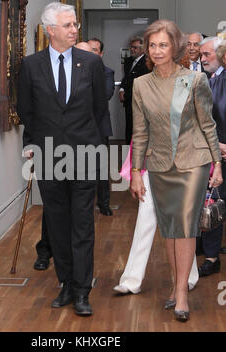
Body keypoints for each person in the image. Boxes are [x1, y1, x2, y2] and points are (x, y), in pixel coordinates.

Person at [17, 2, 107, 316]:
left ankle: (83, 290)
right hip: (49, 156)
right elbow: (27, 111)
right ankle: (66, 282)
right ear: (50, 30)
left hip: (84, 154)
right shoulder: (31, 65)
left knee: (82, 224)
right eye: (68, 25)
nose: (74, 30)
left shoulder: (90, 63)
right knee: (57, 222)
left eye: (75, 25)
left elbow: (98, 111)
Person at [130, 20, 222, 322]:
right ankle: (176, 284)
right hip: (158, 166)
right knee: (169, 231)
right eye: (152, 45)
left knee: (184, 227)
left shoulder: (194, 81)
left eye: (163, 45)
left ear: (175, 47)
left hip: (192, 162)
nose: (157, 51)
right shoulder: (140, 84)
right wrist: (135, 172)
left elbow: (207, 124)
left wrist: (216, 164)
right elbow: (140, 132)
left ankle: (182, 293)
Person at [198, 38, 226, 277]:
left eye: (207, 54)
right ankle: (211, 256)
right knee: (213, 203)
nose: (203, 59)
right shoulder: (204, 80)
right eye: (201, 55)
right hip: (212, 153)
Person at [87, 37, 115, 216]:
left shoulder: (107, 72)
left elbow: (104, 96)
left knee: (101, 167)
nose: (91, 53)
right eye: (88, 49)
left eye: (95, 50)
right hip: (78, 128)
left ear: (101, 53)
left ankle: (104, 203)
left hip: (98, 127)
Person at [119, 36, 150, 144]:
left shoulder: (148, 62)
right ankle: (128, 151)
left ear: (142, 49)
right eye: (131, 47)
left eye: (135, 48)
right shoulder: (128, 61)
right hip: (128, 100)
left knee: (139, 128)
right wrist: (122, 89)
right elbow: (126, 78)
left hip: (140, 102)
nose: (132, 50)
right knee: (129, 127)